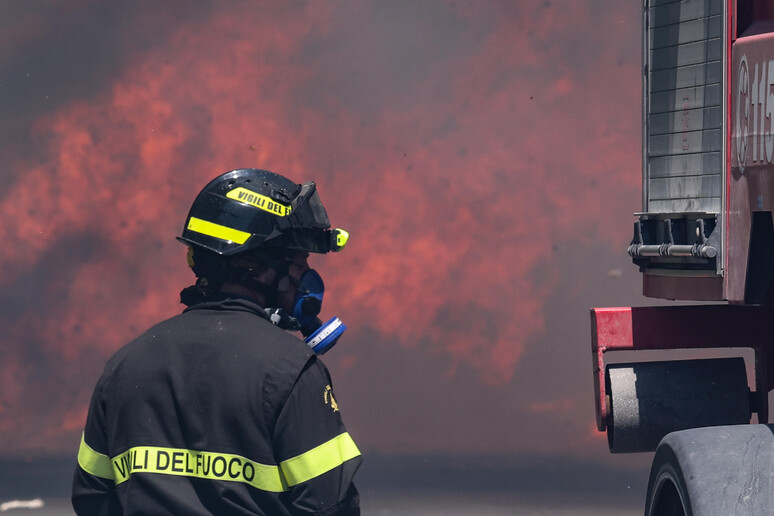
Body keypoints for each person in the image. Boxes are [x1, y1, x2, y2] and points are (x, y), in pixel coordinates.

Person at [72, 168, 362, 515]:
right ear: (262, 266)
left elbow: (91, 497)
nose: (305, 276)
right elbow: (330, 505)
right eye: (299, 262)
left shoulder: (124, 364)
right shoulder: (292, 371)